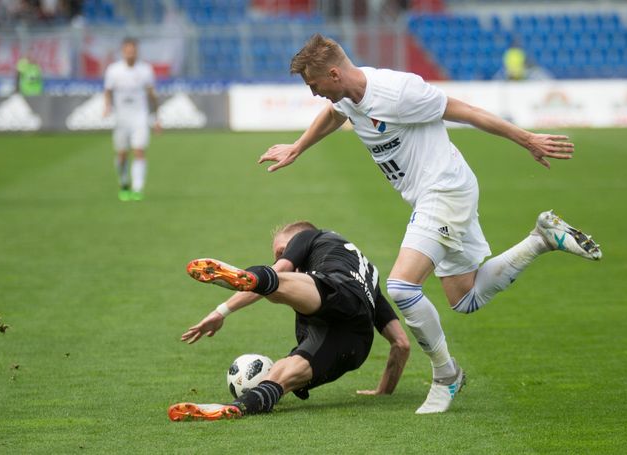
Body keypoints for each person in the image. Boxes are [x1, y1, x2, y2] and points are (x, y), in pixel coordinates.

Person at [257, 34, 602, 414]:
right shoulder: (346, 96)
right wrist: (297, 146)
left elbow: (465, 111)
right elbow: (334, 114)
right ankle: (542, 239)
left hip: (444, 190)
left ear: (334, 73)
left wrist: (527, 139)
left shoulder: (399, 91)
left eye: (314, 85)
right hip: (437, 195)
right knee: (465, 298)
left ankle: (446, 376)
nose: (313, 93)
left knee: (402, 286)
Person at [168, 221, 412, 421]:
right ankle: (240, 406)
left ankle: (255, 278)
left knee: (277, 282)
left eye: (281, 251)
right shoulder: (370, 277)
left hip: (335, 289)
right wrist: (383, 392)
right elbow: (401, 343)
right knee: (285, 374)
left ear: (297, 239)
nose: (280, 256)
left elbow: (282, 269)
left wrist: (221, 311)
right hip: (353, 342)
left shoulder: (310, 236)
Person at [103, 37, 160, 202]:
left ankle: (138, 188)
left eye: (133, 50)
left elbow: (152, 94)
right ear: (123, 51)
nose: (130, 53)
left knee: (139, 151)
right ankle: (123, 183)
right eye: (127, 50)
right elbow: (108, 90)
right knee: (121, 154)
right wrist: (107, 106)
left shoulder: (145, 70)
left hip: (139, 117)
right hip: (121, 118)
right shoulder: (113, 70)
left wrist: (156, 117)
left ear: (137, 51)